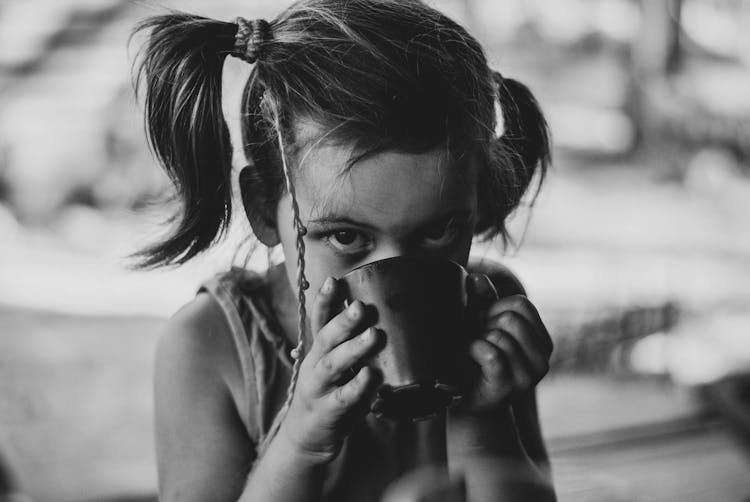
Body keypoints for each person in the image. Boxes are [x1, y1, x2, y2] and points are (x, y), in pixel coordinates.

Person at [133, 1, 554, 500]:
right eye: (347, 237)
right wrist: (301, 443)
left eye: (438, 232)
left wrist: (480, 419)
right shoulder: (210, 347)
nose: (393, 277)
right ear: (267, 210)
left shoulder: (489, 315)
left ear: (477, 201)